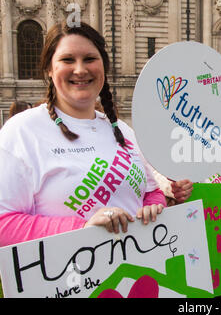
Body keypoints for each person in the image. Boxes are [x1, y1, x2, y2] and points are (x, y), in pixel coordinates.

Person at [0, 22, 193, 247]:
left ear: (104, 66)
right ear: (50, 69)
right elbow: (4, 225)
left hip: (134, 273)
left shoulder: (121, 129)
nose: (80, 69)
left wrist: (154, 206)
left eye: (90, 59)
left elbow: (150, 192)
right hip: (68, 276)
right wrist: (82, 228)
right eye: (68, 60)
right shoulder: (22, 131)